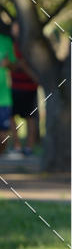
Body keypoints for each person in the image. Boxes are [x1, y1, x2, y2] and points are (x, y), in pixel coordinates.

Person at [10, 21, 39, 156]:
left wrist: (23, 66)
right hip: (14, 87)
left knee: (30, 117)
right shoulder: (12, 46)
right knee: (10, 116)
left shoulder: (31, 47)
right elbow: (13, 65)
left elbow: (31, 68)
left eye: (17, 27)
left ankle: (29, 147)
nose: (14, 29)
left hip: (29, 87)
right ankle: (16, 146)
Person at [0, 17, 16, 156]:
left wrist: (8, 64)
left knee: (3, 134)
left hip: (3, 97)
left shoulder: (5, 41)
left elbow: (15, 65)